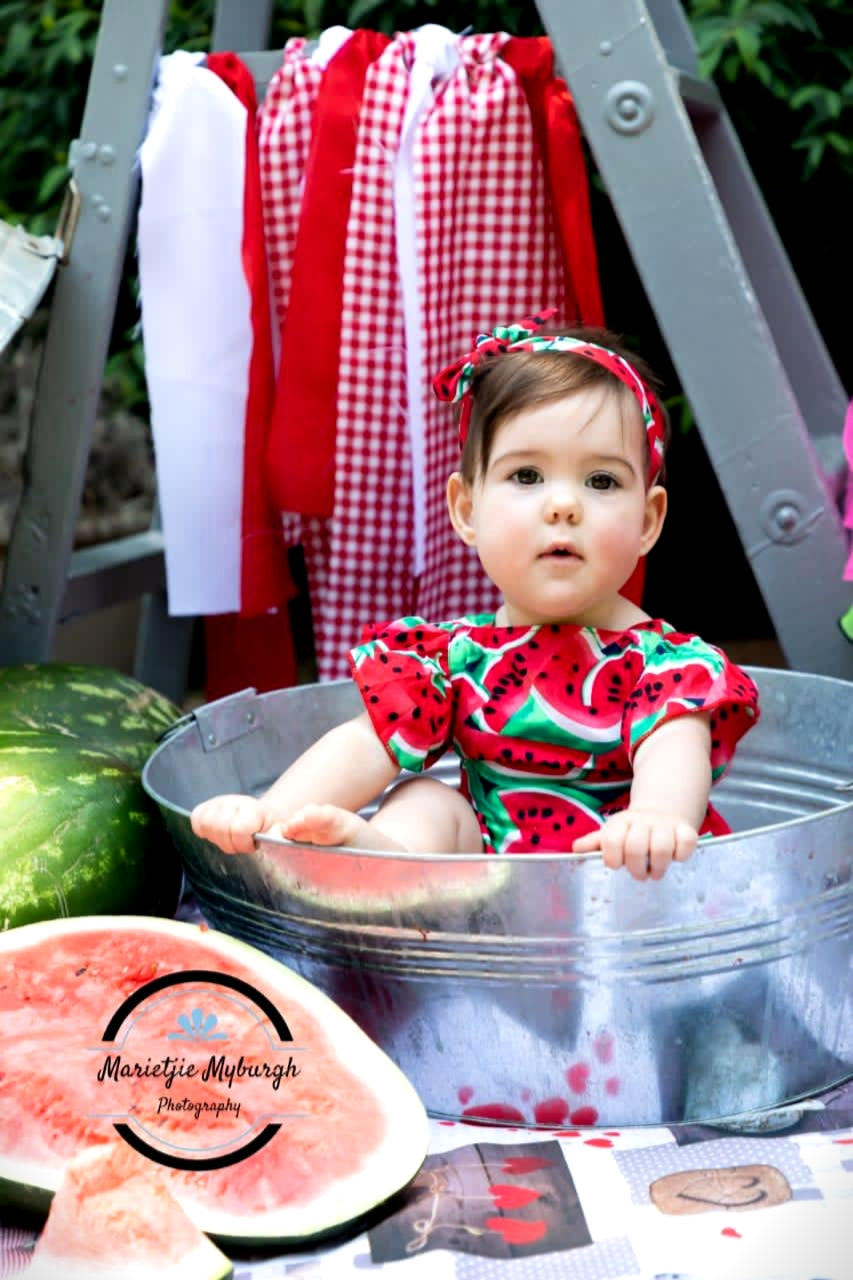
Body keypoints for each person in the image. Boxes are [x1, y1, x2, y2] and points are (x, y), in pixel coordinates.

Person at [191, 311, 760, 880]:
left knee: (648, 815)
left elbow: (674, 750)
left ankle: (396, 873)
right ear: (467, 510)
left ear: (647, 520)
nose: (562, 506)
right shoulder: (453, 661)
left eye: (601, 481)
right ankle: (387, 864)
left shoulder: (668, 668)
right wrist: (270, 813)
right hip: (481, 885)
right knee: (428, 800)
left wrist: (656, 818)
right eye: (527, 476)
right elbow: (366, 744)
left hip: (622, 883)